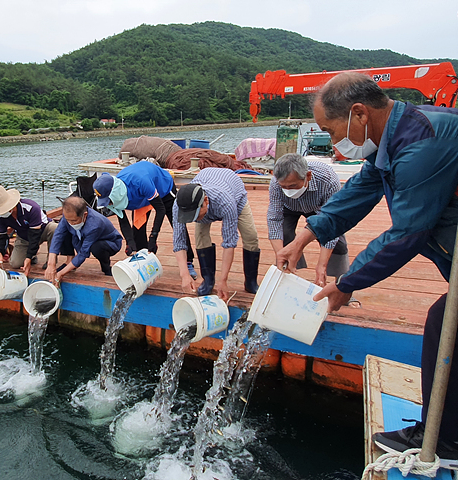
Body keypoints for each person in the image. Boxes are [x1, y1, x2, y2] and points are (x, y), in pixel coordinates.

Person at [276, 72, 458, 464]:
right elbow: (360, 190)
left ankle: (444, 439)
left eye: (330, 129)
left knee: (446, 323)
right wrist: (306, 236)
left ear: (358, 113)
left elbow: (408, 230)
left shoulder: (421, 143)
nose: (334, 142)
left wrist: (349, 282)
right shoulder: (393, 138)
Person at [92, 163, 197, 278]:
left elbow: (160, 209)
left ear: (115, 192)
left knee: (177, 225)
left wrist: (153, 236)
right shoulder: (115, 196)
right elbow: (123, 221)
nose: (109, 204)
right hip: (141, 197)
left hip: (163, 189)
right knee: (137, 230)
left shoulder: (140, 182)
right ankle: (144, 262)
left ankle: (188, 261)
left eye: (109, 201)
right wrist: (129, 242)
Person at [172, 167, 261, 301]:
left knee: (250, 236)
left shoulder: (226, 202)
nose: (194, 219)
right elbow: (179, 240)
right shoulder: (179, 204)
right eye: (190, 217)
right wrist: (184, 274)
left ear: (205, 201)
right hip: (208, 187)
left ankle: (251, 282)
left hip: (235, 196)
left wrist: (223, 280)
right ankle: (208, 280)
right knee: (201, 237)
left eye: (195, 215)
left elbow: (229, 242)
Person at [268, 153, 349, 287]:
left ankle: (343, 286)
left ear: (308, 176)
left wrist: (321, 266)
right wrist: (280, 256)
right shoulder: (276, 183)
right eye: (284, 187)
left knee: (338, 242)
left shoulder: (328, 179)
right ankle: (290, 275)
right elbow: (274, 219)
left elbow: (333, 220)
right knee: (285, 234)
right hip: (290, 207)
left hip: (319, 207)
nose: (288, 190)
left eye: (293, 186)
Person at [45, 196, 122, 283]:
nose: (71, 223)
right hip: (81, 235)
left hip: (109, 242)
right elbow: (58, 235)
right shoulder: (68, 216)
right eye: (68, 220)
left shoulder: (95, 225)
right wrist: (51, 263)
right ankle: (70, 261)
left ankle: (106, 268)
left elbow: (83, 253)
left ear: (84, 215)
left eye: (74, 221)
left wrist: (60, 274)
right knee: (62, 231)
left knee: (96, 247)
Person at [0, 185, 57, 276]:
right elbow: (1, 236)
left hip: (42, 230)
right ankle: (33, 257)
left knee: (54, 228)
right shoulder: (0, 217)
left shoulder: (31, 208)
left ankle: (51, 259)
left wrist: (28, 257)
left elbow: (34, 235)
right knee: (15, 263)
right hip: (24, 236)